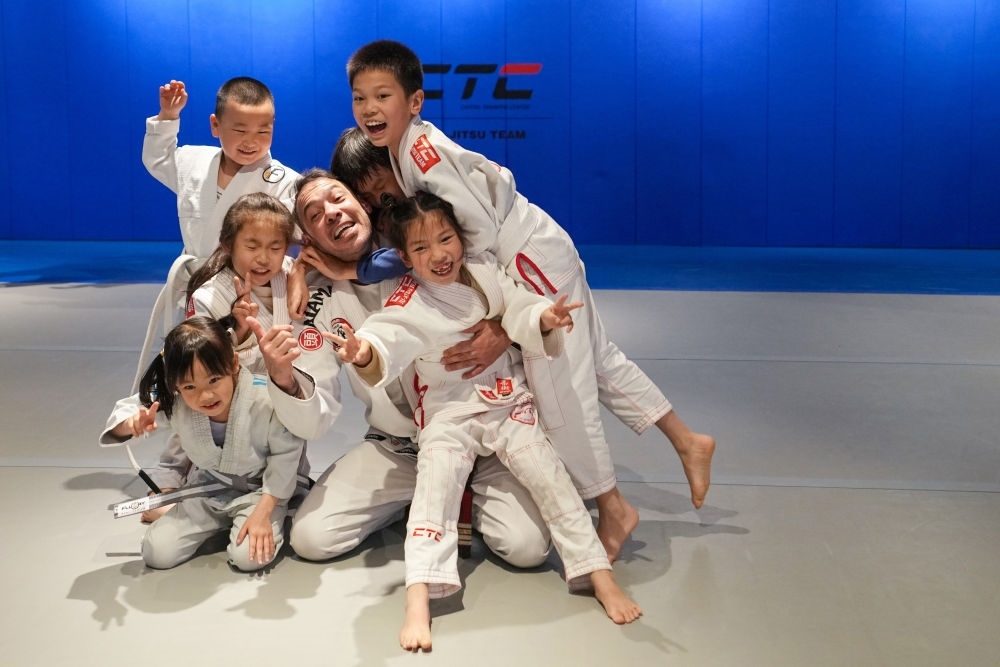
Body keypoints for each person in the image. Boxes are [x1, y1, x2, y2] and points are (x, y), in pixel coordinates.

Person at [345, 40, 716, 561]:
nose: (369, 108)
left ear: (416, 101)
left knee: (561, 391)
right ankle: (685, 440)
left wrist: (497, 313)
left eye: (382, 95)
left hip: (523, 260)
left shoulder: (421, 154)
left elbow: (472, 235)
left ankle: (611, 506)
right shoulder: (409, 146)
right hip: (538, 246)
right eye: (359, 98)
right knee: (596, 358)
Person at [328, 191, 642, 650]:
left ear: (461, 237)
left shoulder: (485, 270)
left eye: (446, 239)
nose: (439, 254)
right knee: (434, 490)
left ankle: (599, 575)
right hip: (448, 410)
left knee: (550, 478)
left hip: (506, 399)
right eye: (421, 248)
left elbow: (518, 305)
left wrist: (544, 315)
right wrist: (364, 351)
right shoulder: (408, 299)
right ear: (405, 258)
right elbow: (385, 333)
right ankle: (418, 597)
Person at [250, 169, 553, 579]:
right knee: (311, 538)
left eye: (338, 199)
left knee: (526, 547)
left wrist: (504, 330)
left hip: (486, 431)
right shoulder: (314, 298)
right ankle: (425, 495)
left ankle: (457, 489)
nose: (332, 214)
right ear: (308, 239)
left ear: (363, 204)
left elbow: (517, 299)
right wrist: (284, 378)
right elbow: (316, 413)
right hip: (400, 448)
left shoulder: (422, 247)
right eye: (315, 214)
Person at [99, 316, 310, 572]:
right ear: (175, 384)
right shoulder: (176, 401)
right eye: (190, 386)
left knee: (249, 558)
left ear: (233, 363)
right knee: (156, 552)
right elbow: (128, 410)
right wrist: (130, 424)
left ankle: (275, 516)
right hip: (210, 489)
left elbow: (287, 455)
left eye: (214, 380)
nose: (205, 395)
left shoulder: (265, 397)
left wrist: (264, 512)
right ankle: (216, 521)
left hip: (263, 493)